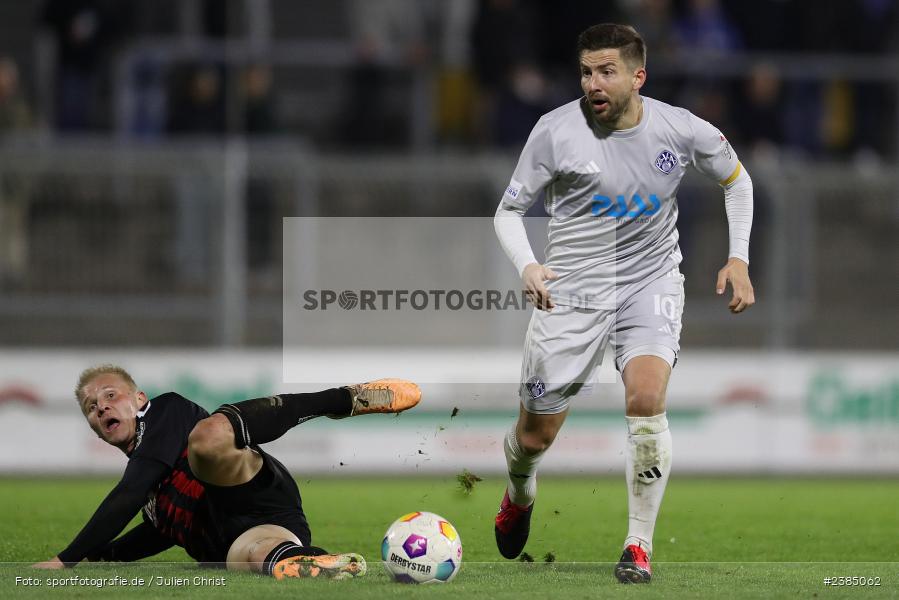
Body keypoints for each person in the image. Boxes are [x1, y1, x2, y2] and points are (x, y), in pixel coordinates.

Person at [492, 23, 754, 583]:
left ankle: (638, 546)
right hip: (574, 291)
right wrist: (529, 265)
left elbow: (737, 181)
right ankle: (519, 492)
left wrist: (739, 259)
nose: (594, 82)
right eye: (586, 71)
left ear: (638, 75)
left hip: (650, 281)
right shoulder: (554, 131)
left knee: (646, 397)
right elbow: (508, 211)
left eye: (606, 71)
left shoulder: (680, 129)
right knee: (535, 436)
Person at [32, 365, 421, 579]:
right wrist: (103, 556)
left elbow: (129, 493)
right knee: (257, 557)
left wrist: (66, 559)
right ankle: (314, 562)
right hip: (250, 531)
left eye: (110, 395)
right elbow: (159, 532)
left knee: (207, 439)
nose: (100, 407)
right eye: (90, 407)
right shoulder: (154, 495)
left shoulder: (168, 411)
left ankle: (343, 399)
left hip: (246, 486)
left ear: (139, 399)